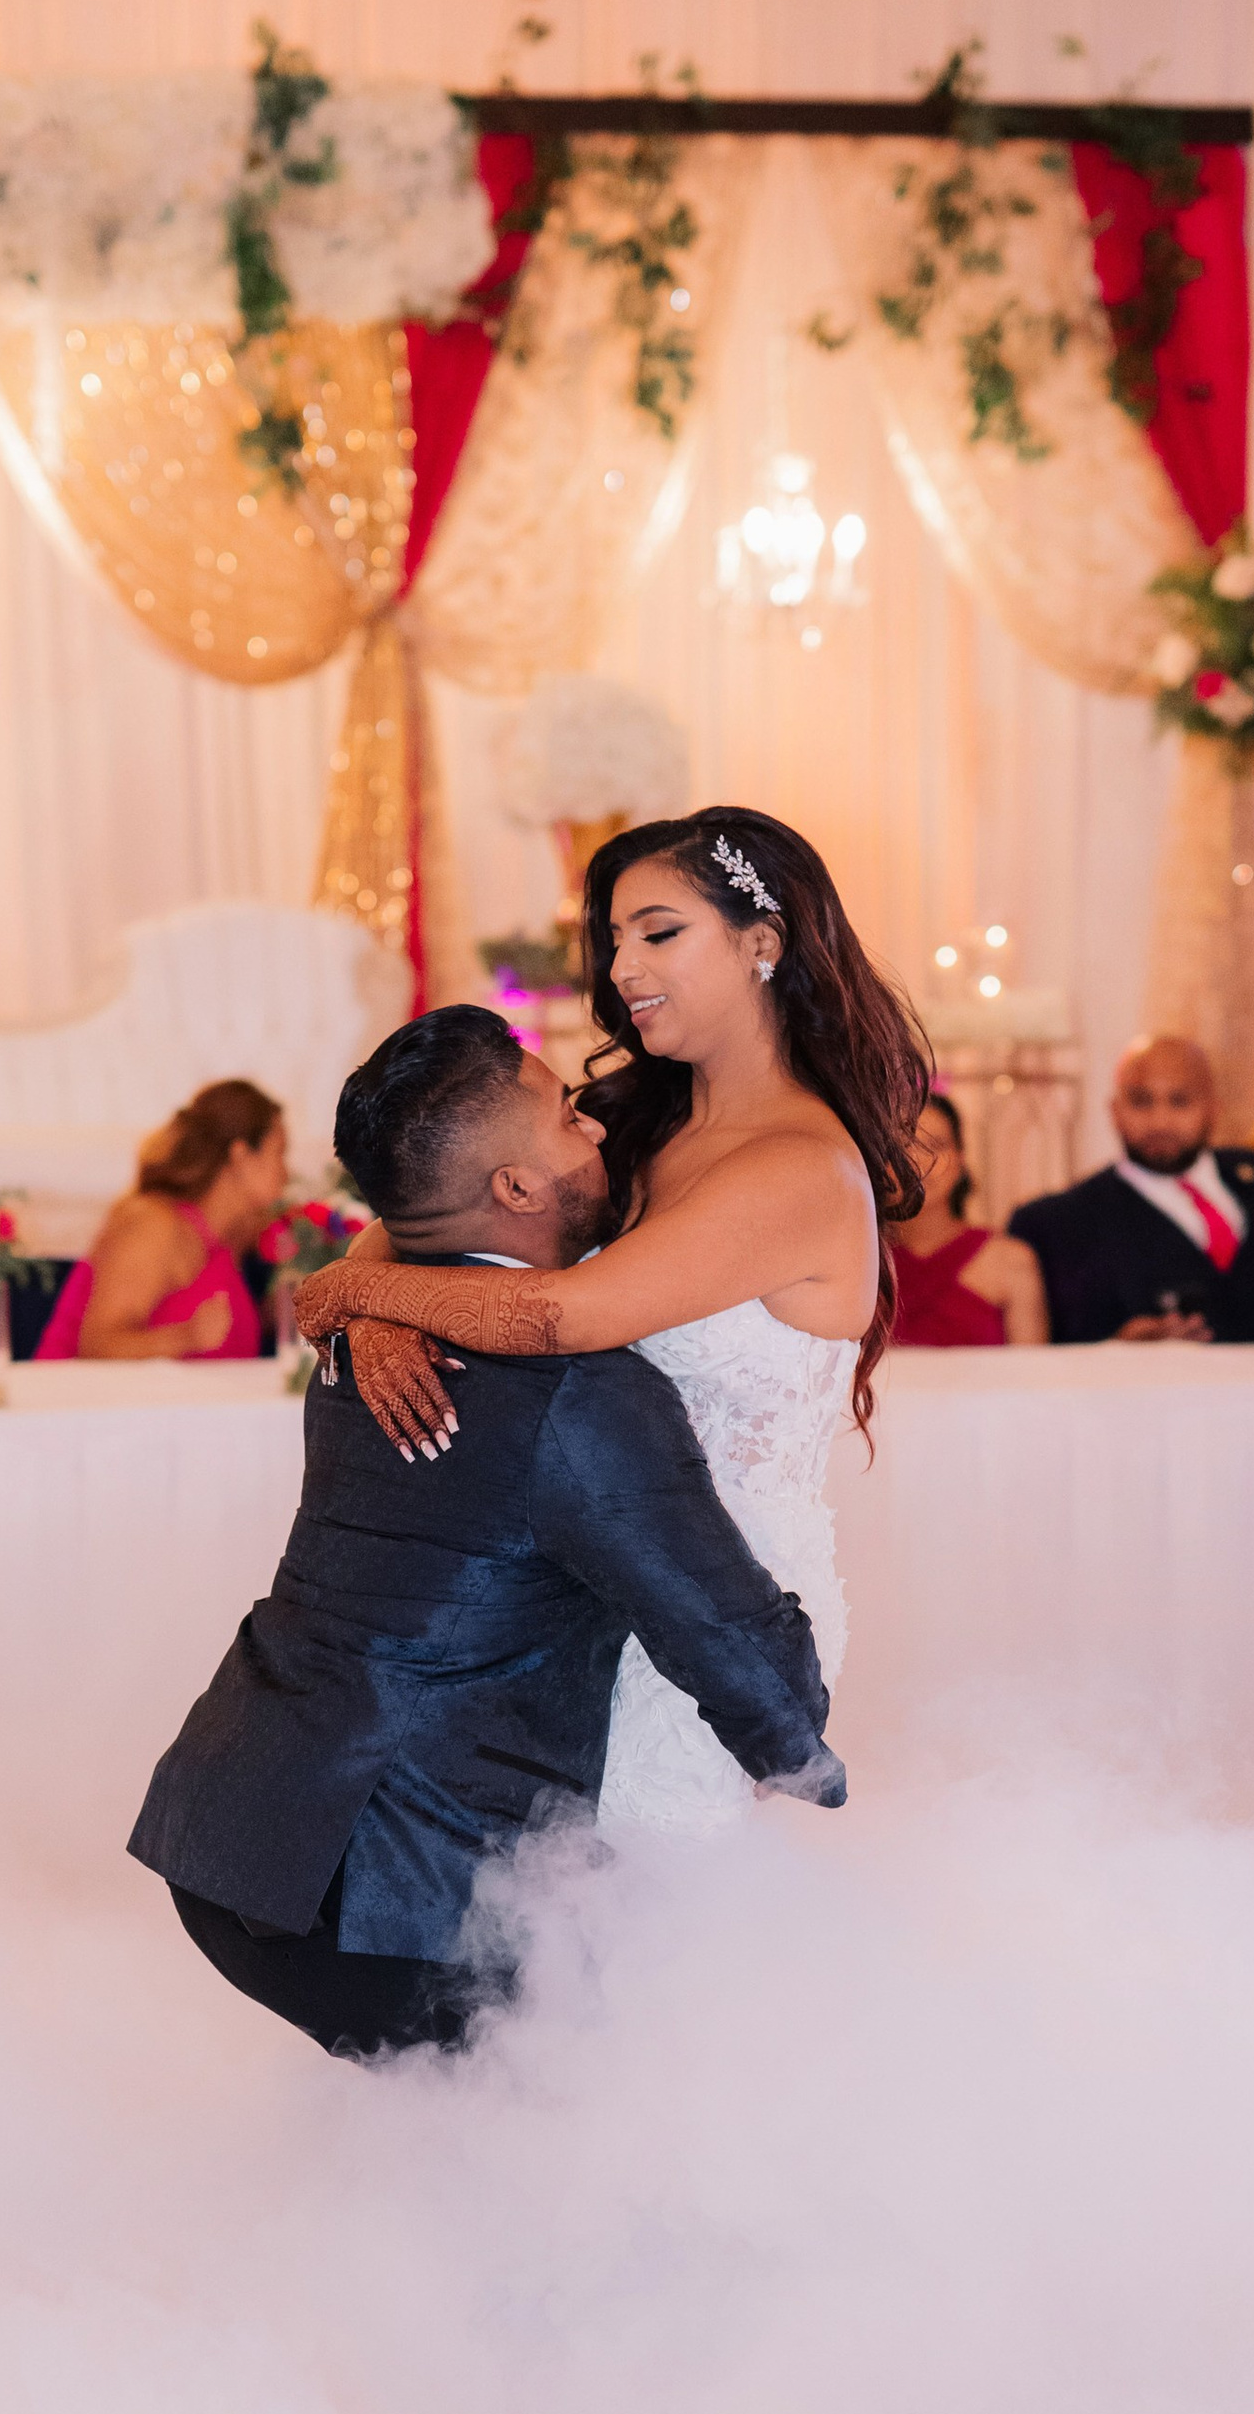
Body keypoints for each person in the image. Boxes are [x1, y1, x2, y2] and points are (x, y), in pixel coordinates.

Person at [129, 1007, 843, 2060]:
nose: (594, 1128)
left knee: (457, 2136)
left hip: (232, 1838)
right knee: (589, 2108)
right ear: (511, 1188)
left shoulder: (367, 1340)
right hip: (387, 1892)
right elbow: (727, 1642)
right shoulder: (580, 1392)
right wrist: (805, 1762)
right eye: (565, 1116)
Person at [290, 808, 928, 1840]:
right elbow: (419, 1230)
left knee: (651, 1929)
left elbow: (559, 1315)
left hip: (717, 1608)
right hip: (569, 1588)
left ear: (762, 943)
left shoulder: (798, 1166)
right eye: (615, 938)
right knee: (548, 1929)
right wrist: (367, 1306)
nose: (623, 965)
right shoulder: (636, 1119)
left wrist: (343, 1296)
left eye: (658, 932)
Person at [1004, 1036, 1254, 1346]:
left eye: (1179, 1101)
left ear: (1214, 1109)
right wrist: (1117, 1349)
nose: (1160, 1122)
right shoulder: (1057, 1224)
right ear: (1115, 1110)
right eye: (1141, 1101)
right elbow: (1046, 1354)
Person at [37, 1078, 291, 1361]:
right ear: (241, 1155)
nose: (286, 1174)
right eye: (279, 1153)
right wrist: (186, 1337)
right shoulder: (153, 1223)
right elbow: (98, 1344)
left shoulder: (231, 1236)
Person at [886, 1092, 1048, 1347]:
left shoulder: (1011, 1261)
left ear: (961, 1159)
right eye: (903, 1145)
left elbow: (1032, 1379)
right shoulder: (860, 1263)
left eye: (935, 1145)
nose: (919, 1162)